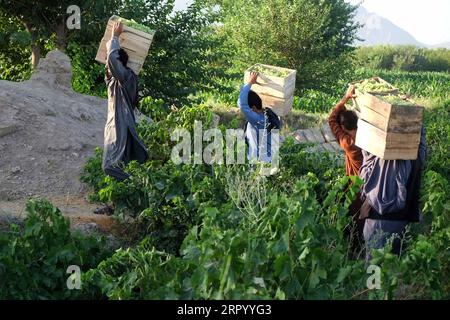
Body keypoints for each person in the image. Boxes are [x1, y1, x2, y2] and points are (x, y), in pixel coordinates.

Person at [359, 127, 427, 261]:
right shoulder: (417, 153)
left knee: (375, 272)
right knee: (393, 272)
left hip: (380, 223)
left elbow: (365, 170)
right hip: (403, 221)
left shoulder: (383, 158)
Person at [102, 22, 148, 181]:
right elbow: (110, 65)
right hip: (115, 124)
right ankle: (129, 191)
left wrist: (114, 37)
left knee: (111, 165)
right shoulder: (114, 81)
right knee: (117, 164)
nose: (107, 68)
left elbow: (112, 61)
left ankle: (136, 183)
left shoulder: (127, 78)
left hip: (122, 124)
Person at [328, 85, 364, 253]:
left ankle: (354, 249)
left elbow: (331, 120)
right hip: (371, 184)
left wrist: (345, 98)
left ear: (343, 127)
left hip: (355, 185)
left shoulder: (348, 143)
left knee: (354, 216)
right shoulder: (367, 137)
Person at [238, 72, 280, 163]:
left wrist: (249, 83)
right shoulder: (268, 114)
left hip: (260, 163)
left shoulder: (257, 120)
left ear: (253, 108)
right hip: (269, 159)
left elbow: (241, 104)